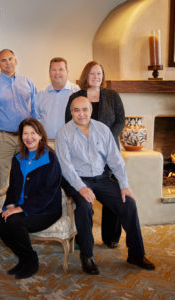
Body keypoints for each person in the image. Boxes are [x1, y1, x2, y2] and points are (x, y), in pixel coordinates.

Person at [55, 96, 155, 275]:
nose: (81, 114)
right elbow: (65, 167)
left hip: (101, 178)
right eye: (76, 110)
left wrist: (124, 185)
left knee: (129, 203)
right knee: (84, 207)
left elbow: (115, 160)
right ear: (71, 113)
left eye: (85, 109)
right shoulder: (63, 133)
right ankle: (87, 256)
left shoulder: (103, 130)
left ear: (91, 111)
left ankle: (136, 254)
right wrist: (81, 188)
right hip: (77, 180)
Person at [65, 61, 125, 249]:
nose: (96, 77)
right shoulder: (76, 97)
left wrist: (104, 140)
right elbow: (69, 123)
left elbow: (121, 121)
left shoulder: (113, 96)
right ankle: (83, 238)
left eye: (99, 73)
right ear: (86, 76)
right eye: (92, 74)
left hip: (109, 153)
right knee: (83, 199)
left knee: (113, 195)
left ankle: (111, 237)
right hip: (82, 156)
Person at [0, 118, 62, 279]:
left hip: (46, 210)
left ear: (40, 136)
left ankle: (30, 261)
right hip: (20, 208)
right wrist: (10, 205)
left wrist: (21, 209)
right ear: (21, 136)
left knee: (14, 222)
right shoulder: (18, 158)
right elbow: (13, 188)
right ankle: (26, 258)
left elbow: (48, 193)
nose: (29, 137)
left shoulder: (50, 158)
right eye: (25, 133)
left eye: (33, 133)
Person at [0, 49, 37, 192]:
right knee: (0, 180)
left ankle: (23, 211)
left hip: (25, 137)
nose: (8, 63)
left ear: (16, 61)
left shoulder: (28, 82)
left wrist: (37, 136)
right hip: (0, 138)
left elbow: (34, 110)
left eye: (10, 59)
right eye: (3, 60)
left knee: (27, 176)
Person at [34, 57, 79, 139]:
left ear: (67, 72)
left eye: (61, 69)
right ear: (49, 73)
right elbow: (37, 119)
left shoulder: (76, 92)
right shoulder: (41, 94)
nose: (57, 73)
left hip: (70, 143)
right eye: (54, 70)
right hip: (47, 143)